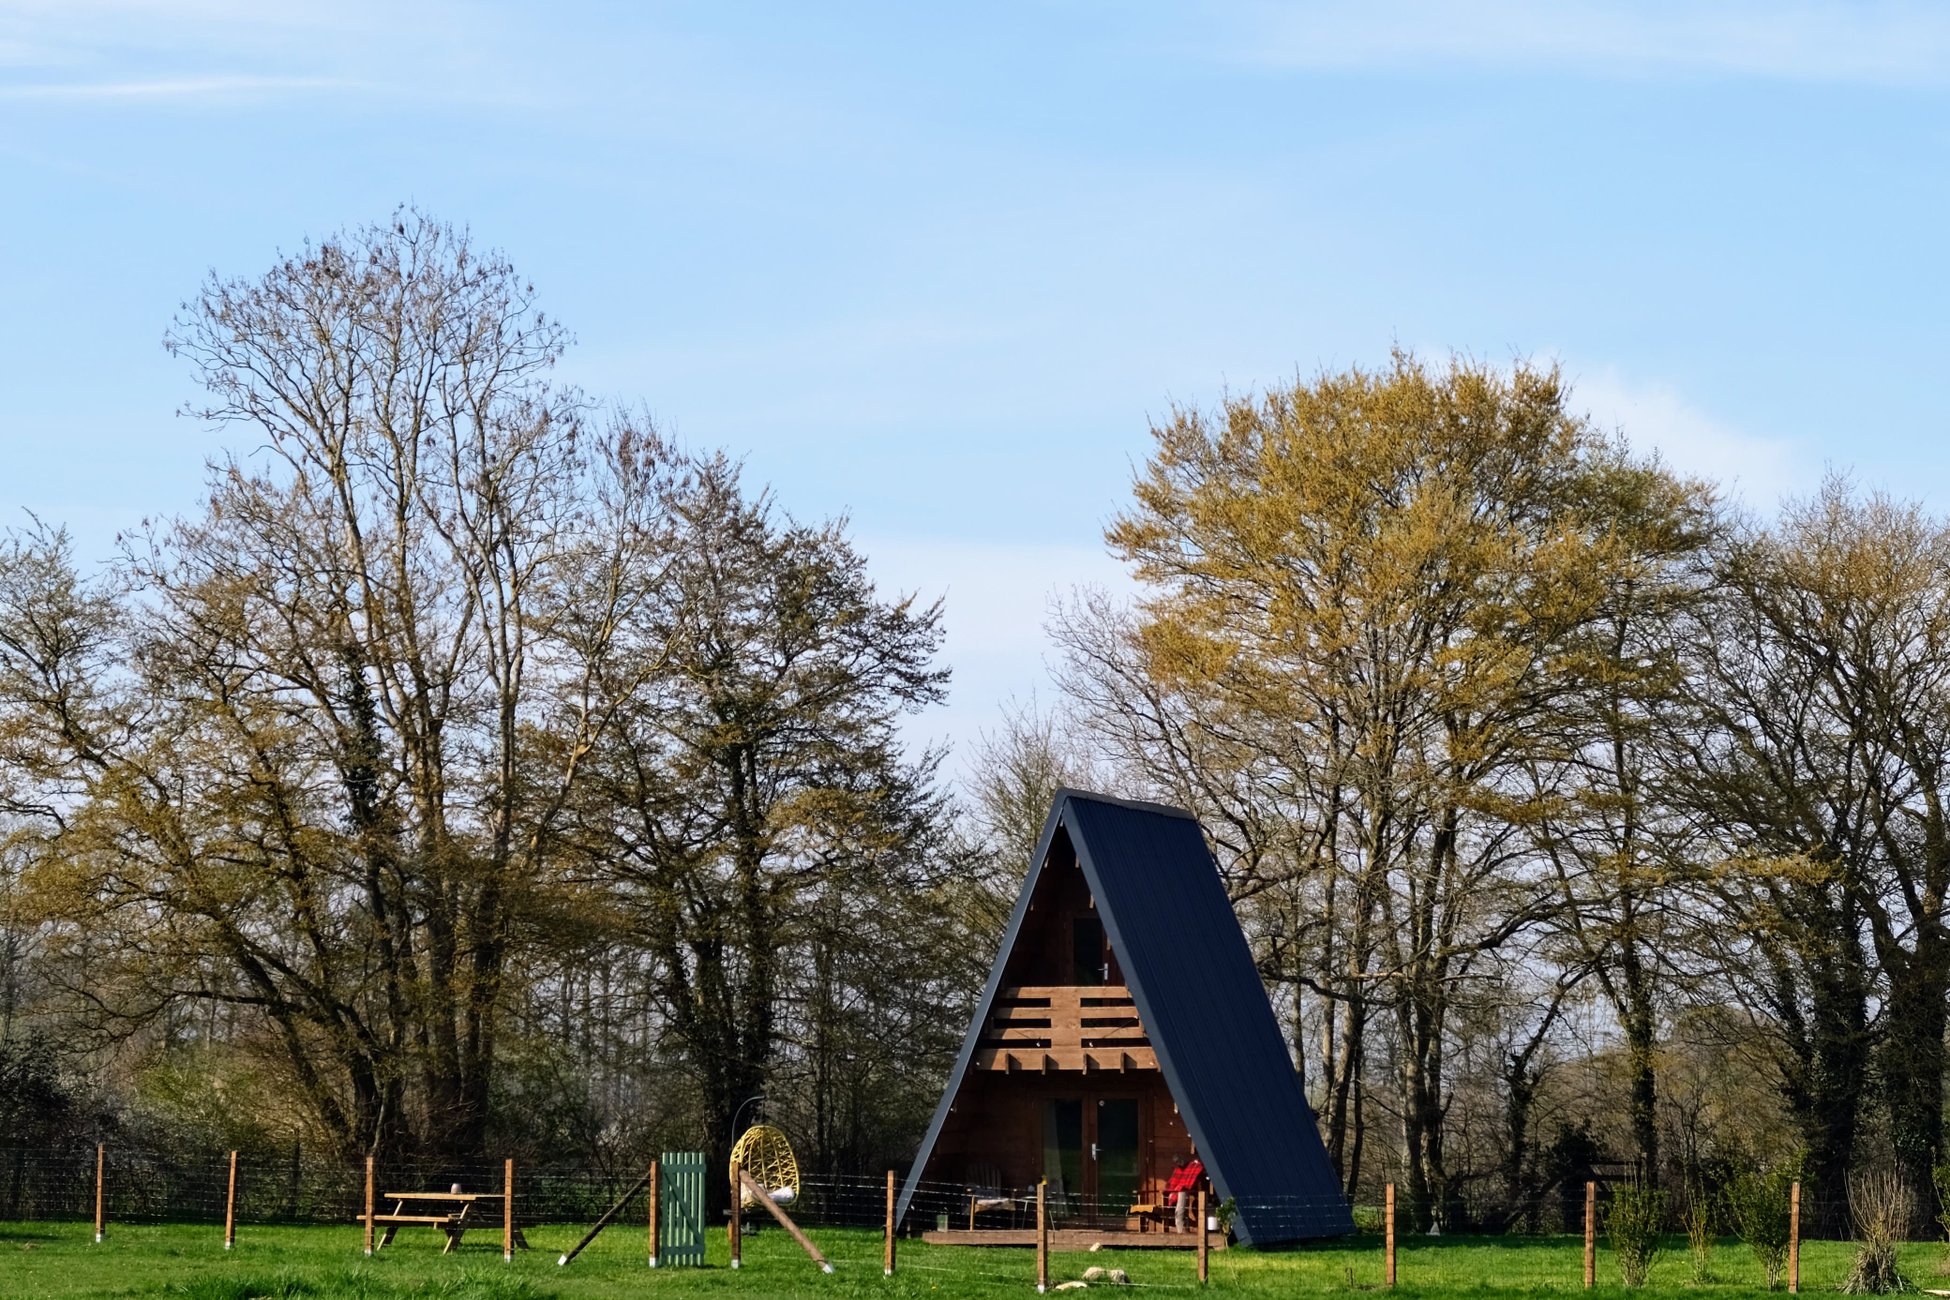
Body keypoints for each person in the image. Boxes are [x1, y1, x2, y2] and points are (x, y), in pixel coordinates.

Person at [1166, 1156, 1205, 1232]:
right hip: (1179, 1191)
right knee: (1180, 1212)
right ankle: (1183, 1230)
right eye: (1177, 1162)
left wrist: (1180, 1188)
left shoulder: (1193, 1167)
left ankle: (1181, 1232)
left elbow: (1189, 1182)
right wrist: (1171, 1191)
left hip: (1185, 1191)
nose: (1179, 1163)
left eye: (1180, 1161)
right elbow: (1173, 1183)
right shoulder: (1178, 1169)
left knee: (1180, 1212)